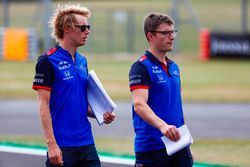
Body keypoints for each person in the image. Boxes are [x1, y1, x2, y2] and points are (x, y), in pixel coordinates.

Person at [32, 4, 115, 167]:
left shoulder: (82, 60)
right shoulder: (47, 61)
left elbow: (79, 103)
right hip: (62, 146)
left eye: (88, 27)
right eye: (83, 27)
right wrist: (51, 144)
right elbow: (43, 105)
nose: (87, 31)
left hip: (87, 143)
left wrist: (100, 114)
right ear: (67, 29)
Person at [129, 12, 193, 167]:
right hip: (152, 148)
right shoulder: (141, 67)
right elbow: (139, 104)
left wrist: (186, 143)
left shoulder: (174, 67)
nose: (171, 37)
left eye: (173, 32)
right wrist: (162, 126)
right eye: (165, 33)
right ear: (150, 36)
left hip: (178, 145)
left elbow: (177, 106)